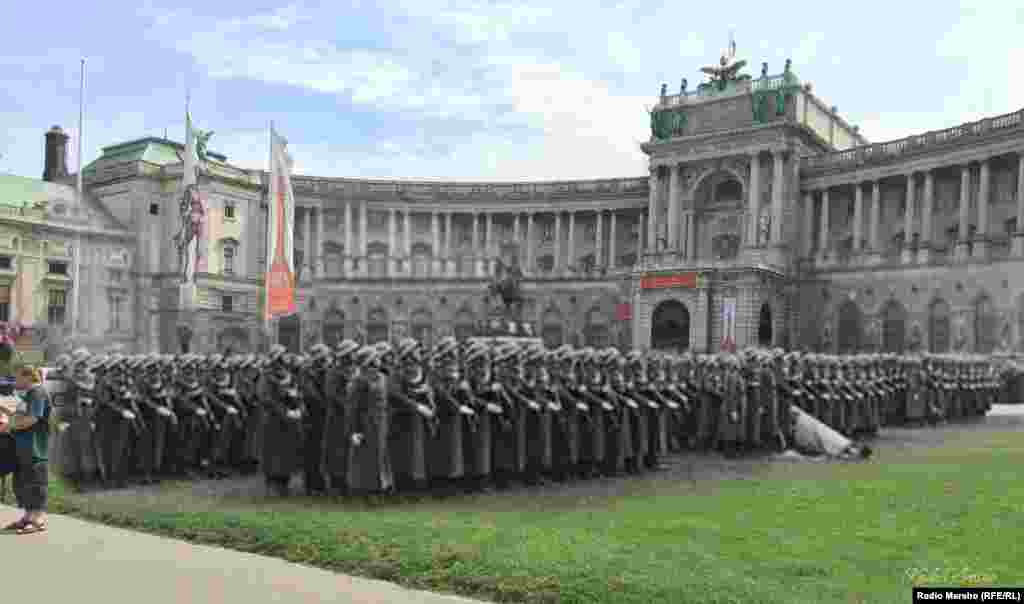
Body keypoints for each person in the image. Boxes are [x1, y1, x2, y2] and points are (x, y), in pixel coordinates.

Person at [2, 365, 51, 534]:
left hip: (35, 446)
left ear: (27, 377)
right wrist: (4, 411)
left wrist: (8, 426)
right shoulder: (29, 395)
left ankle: (37, 519)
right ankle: (28, 517)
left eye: (17, 378)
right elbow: (20, 416)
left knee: (35, 481)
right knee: (23, 481)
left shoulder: (37, 393)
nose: (14, 382)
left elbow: (31, 419)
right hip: (22, 446)